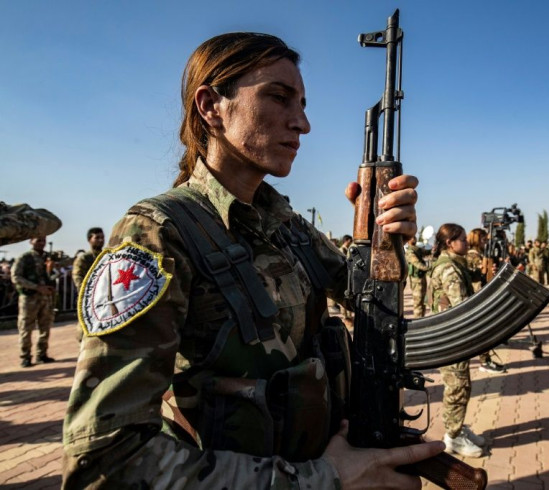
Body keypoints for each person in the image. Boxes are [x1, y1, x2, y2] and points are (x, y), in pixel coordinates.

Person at [62, 32, 442, 489]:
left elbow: (369, 297)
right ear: (210, 106)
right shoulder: (158, 235)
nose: (302, 123)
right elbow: (107, 459)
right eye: (279, 98)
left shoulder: (287, 226)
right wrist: (322, 480)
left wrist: (384, 237)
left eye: (302, 103)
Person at [428, 223, 487, 457]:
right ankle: (452, 437)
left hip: (450, 336)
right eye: (462, 239)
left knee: (461, 385)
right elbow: (462, 308)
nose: (466, 242)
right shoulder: (450, 269)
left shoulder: (452, 264)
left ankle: (458, 428)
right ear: (450, 243)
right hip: (450, 338)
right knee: (457, 387)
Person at [10, 236, 56, 367]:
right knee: (26, 327)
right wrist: (36, 287)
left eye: (43, 240)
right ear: (31, 241)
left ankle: (42, 354)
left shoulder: (48, 258)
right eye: (38, 240)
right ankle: (25, 356)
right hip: (29, 298)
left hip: (45, 297)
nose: (41, 243)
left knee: (45, 326)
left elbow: (53, 274)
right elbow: (15, 277)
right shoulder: (25, 258)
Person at [464, 228, 505, 373]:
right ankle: (484, 361)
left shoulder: (480, 255)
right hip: (477, 296)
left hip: (481, 294)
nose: (486, 242)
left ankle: (485, 359)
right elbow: (473, 279)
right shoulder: (472, 256)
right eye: (483, 239)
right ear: (476, 239)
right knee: (483, 330)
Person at [71, 227, 105, 342]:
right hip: (88, 298)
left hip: (103, 298)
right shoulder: (84, 258)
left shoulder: (106, 256)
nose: (101, 240)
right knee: (84, 325)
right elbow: (77, 276)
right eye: (97, 238)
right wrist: (87, 293)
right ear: (90, 239)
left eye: (102, 237)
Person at [405, 234, 430, 318]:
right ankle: (418, 320)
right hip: (416, 280)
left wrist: (432, 250)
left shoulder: (417, 249)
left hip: (422, 278)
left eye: (414, 237)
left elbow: (426, 252)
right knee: (418, 302)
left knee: (423, 301)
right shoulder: (410, 252)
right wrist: (428, 268)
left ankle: (422, 318)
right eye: (412, 237)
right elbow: (417, 264)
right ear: (408, 240)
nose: (414, 238)